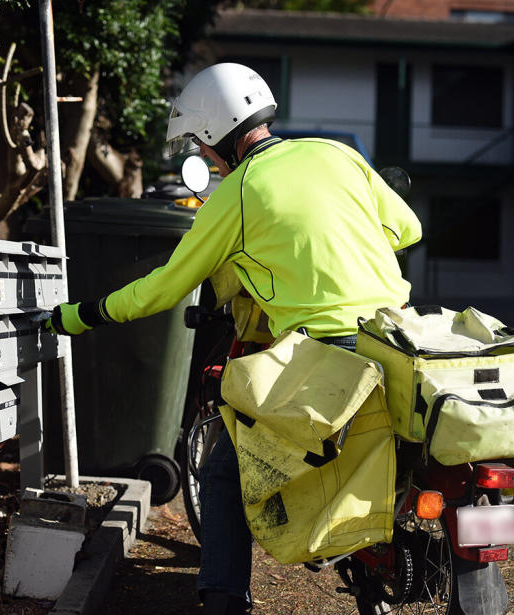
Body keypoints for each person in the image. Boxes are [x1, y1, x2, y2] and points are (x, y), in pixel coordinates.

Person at [45, 62, 422, 614]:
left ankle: (225, 602)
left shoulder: (237, 193)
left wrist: (84, 314)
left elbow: (163, 288)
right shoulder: (335, 153)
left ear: (214, 135)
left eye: (201, 145)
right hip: (398, 339)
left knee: (222, 471)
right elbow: (407, 228)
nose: (207, 158)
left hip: (325, 355)